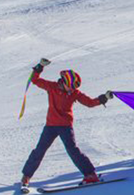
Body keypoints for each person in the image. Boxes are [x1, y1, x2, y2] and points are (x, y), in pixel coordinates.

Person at [21, 60, 113, 190]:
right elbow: (35, 80)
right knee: (39, 150)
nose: (71, 90)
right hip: (50, 126)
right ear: (63, 82)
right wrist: (40, 67)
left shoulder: (75, 93)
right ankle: (26, 177)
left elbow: (90, 103)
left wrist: (104, 97)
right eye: (70, 86)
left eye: (73, 88)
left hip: (65, 126)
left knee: (72, 150)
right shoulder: (51, 87)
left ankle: (90, 174)